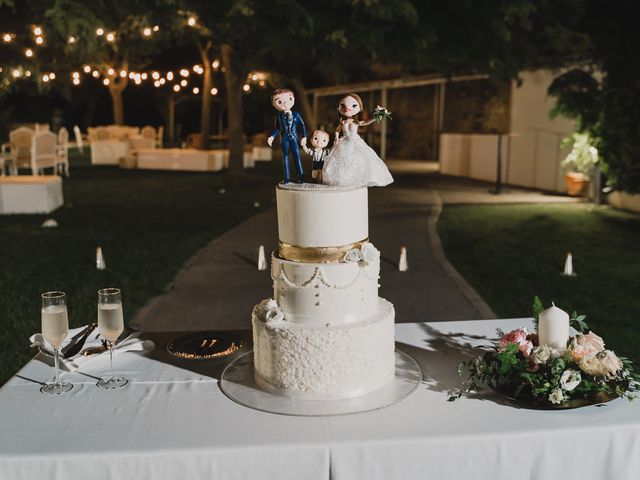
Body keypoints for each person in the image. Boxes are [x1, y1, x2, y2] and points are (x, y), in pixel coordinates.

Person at [322, 93, 393, 188]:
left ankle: (356, 179)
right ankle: (344, 179)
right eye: (342, 105)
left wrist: (377, 115)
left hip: (355, 141)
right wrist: (336, 138)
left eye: (354, 105)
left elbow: (367, 122)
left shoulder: (356, 122)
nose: (347, 108)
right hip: (344, 141)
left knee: (359, 160)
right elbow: (337, 130)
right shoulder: (342, 122)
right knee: (342, 161)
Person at [267, 88, 307, 184]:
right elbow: (277, 128)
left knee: (297, 157)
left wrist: (304, 136)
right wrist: (272, 137)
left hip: (294, 139)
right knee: (285, 158)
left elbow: (302, 125)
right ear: (274, 104)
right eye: (279, 101)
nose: (284, 104)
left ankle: (301, 177)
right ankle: (287, 178)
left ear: (293, 99)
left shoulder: (296, 115)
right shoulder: (278, 116)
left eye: (288, 99)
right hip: (284, 139)